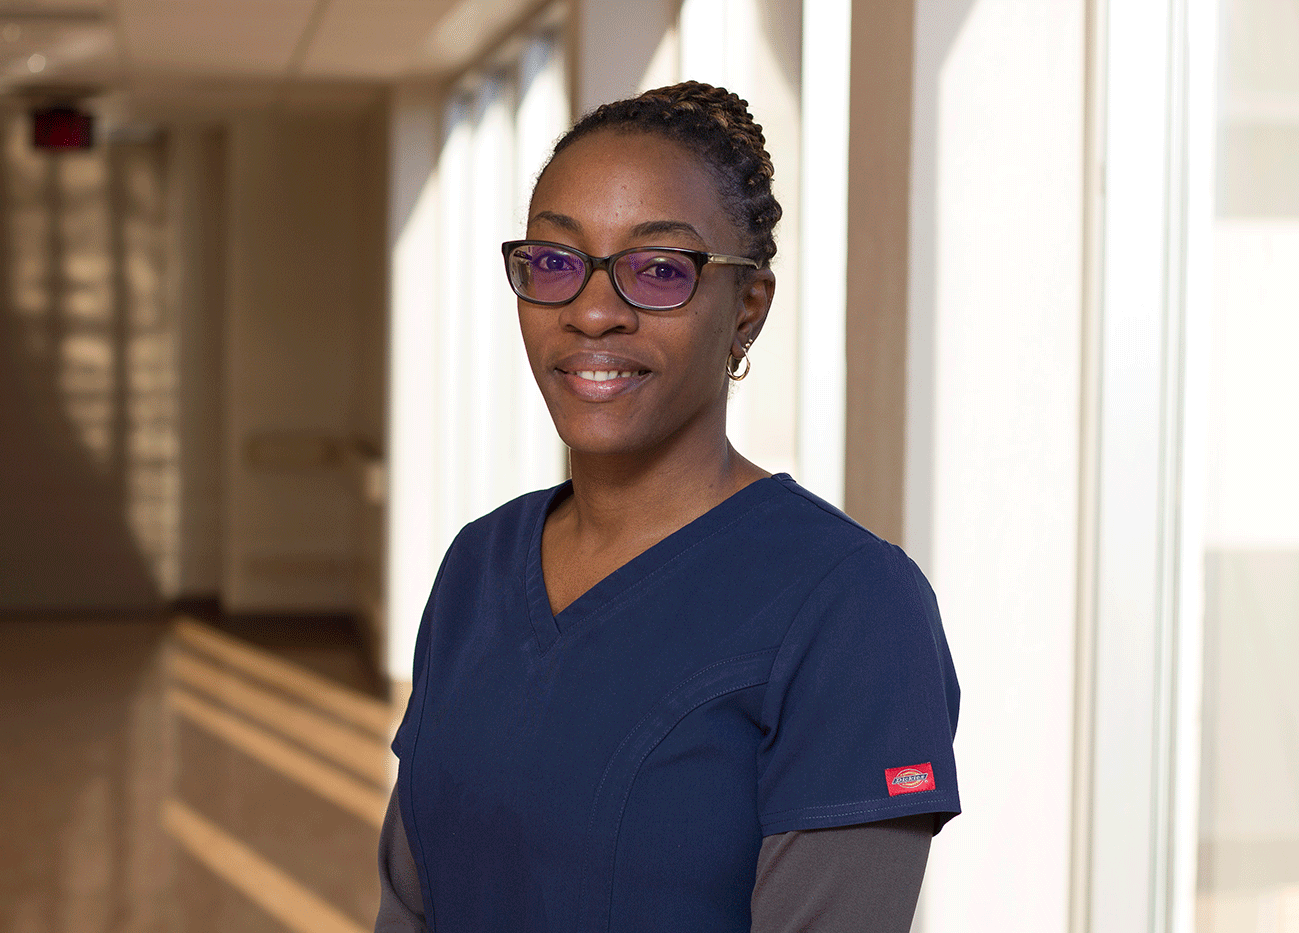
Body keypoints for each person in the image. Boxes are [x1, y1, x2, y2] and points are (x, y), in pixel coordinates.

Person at [375, 81, 959, 933]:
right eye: (554, 261)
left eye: (657, 270)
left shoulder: (853, 607)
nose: (593, 311)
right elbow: (409, 904)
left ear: (746, 309)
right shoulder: (479, 563)